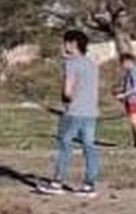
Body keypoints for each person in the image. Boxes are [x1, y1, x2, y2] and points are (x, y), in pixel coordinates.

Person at [38, 30, 100, 197]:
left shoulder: (71, 63)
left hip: (74, 112)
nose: (63, 46)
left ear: (72, 44)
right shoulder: (92, 64)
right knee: (89, 148)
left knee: (65, 145)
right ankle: (89, 185)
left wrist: (64, 101)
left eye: (65, 42)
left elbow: (68, 91)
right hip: (91, 112)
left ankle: (57, 182)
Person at [116, 52, 136, 148]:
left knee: (135, 120)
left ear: (127, 61)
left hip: (135, 99)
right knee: (132, 120)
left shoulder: (135, 72)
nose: (122, 66)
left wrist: (124, 95)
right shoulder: (130, 72)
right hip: (130, 99)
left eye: (122, 63)